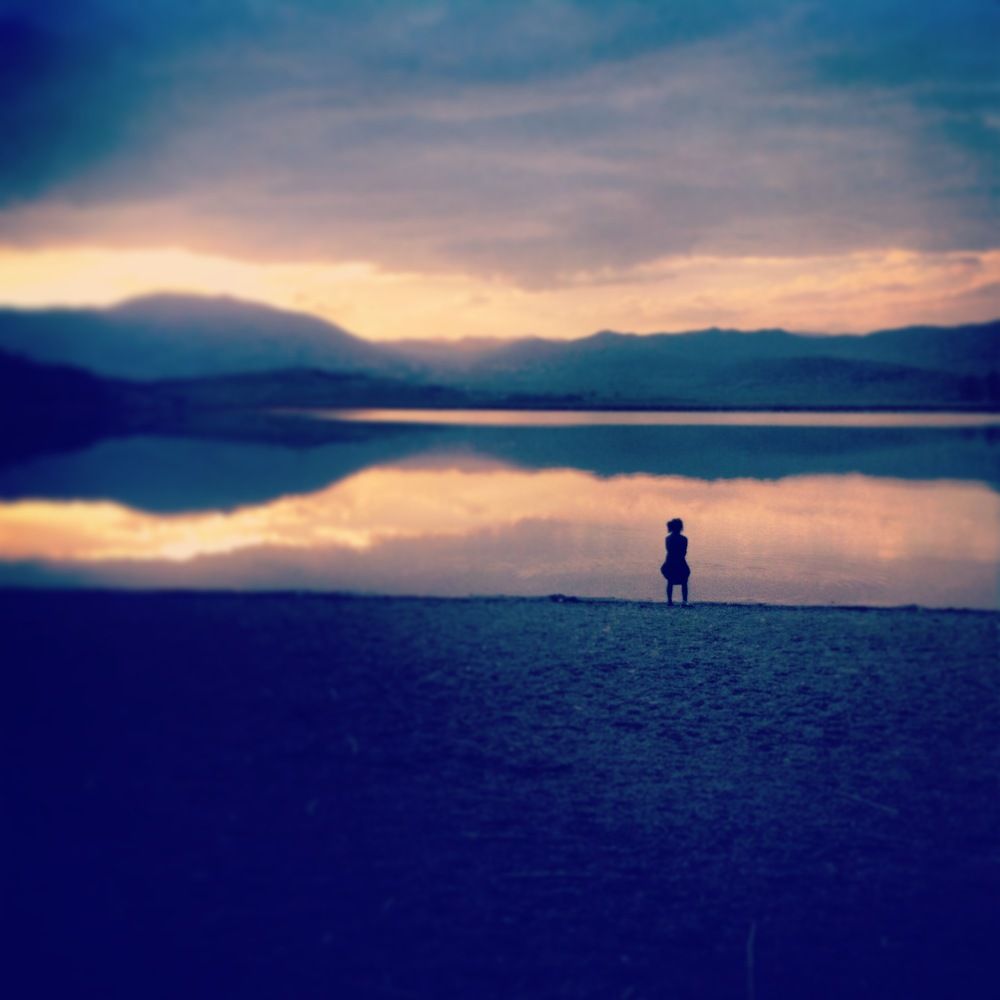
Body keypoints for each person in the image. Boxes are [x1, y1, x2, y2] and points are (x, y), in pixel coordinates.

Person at [661, 518, 690, 606]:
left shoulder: (668, 539)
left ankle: (669, 601)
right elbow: (684, 552)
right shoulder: (684, 539)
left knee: (670, 581)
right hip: (680, 561)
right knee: (684, 582)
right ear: (680, 527)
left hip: (669, 562)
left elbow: (669, 550)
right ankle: (684, 601)